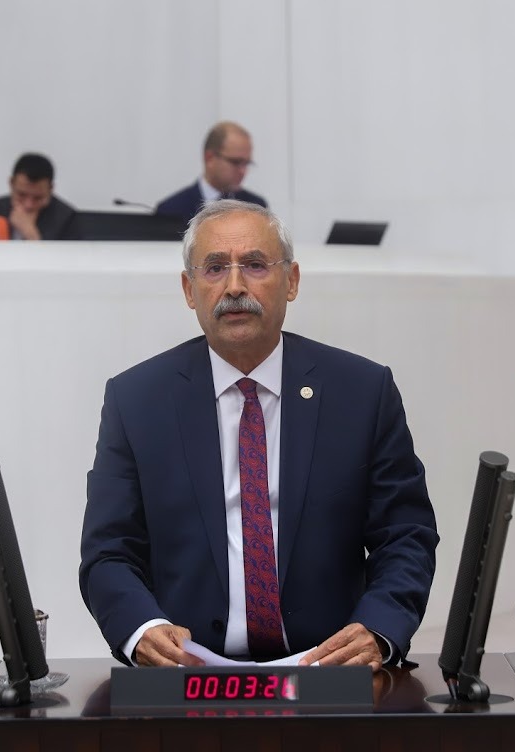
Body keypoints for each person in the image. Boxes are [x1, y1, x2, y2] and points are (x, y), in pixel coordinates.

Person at [80, 199, 438, 670]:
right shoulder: (136, 400)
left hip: (328, 667)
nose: (234, 287)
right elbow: (108, 551)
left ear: (291, 281)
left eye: (254, 265)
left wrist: (378, 628)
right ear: (189, 290)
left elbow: (406, 534)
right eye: (214, 269)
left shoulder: (362, 391)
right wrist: (141, 629)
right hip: (190, 670)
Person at [154, 121, 268, 221]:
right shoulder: (171, 210)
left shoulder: (256, 208)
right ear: (210, 158)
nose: (243, 171)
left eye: (246, 163)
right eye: (236, 162)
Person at [0, 152, 76, 240]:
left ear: (51, 189)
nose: (28, 205)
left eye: (38, 198)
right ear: (11, 183)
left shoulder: (68, 220)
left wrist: (31, 235)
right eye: (21, 195)